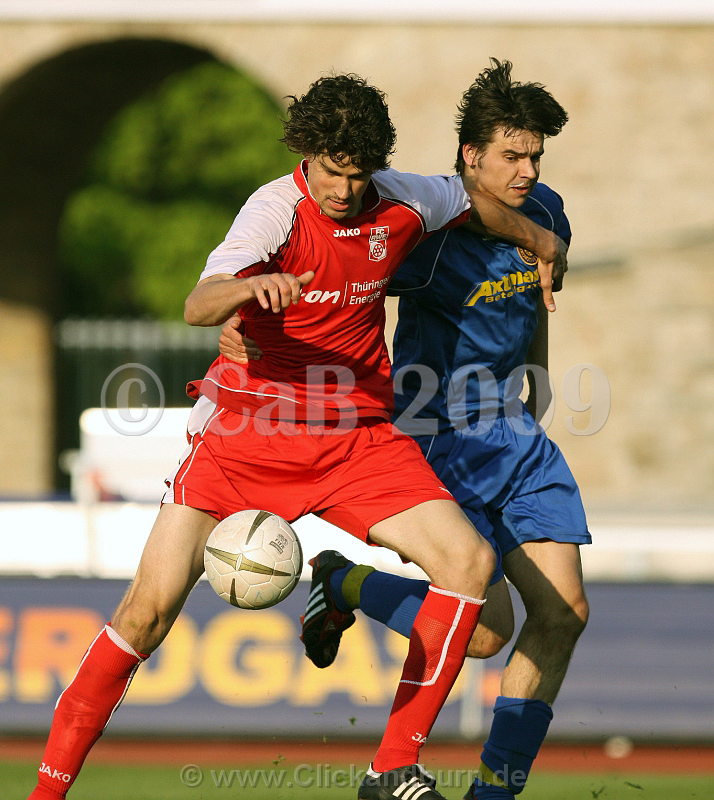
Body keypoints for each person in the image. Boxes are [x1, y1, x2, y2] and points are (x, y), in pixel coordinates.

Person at [29, 73, 568, 800]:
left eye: (357, 175)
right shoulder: (274, 211)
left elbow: (472, 200)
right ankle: (45, 793)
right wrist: (249, 291)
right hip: (247, 437)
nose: (343, 190)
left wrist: (538, 237)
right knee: (146, 612)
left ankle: (390, 769)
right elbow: (200, 300)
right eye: (329, 171)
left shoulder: (401, 197)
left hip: (356, 439)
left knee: (468, 566)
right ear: (304, 154)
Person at [220, 60, 590, 800]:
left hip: (515, 434)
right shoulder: (422, 231)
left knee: (565, 614)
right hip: (438, 432)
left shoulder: (546, 215)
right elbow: (331, 276)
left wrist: (536, 391)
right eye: (512, 155)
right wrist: (242, 317)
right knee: (485, 634)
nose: (527, 169)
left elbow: (535, 310)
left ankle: (492, 796)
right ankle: (344, 580)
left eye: (536, 155)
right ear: (470, 157)